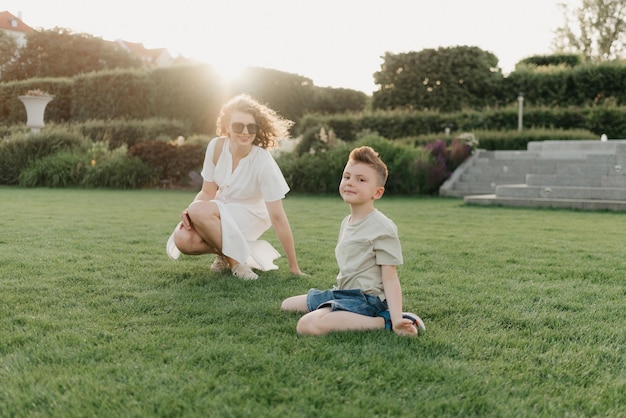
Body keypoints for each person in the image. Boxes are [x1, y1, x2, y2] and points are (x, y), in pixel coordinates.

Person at [281, 146, 425, 336]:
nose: (350, 183)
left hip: (366, 299)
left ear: (377, 193)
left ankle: (385, 321)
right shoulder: (346, 222)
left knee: (307, 325)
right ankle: (343, 310)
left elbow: (390, 277)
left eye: (361, 180)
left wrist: (398, 319)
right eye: (347, 176)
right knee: (287, 305)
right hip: (343, 292)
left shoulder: (382, 227)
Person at [166, 94, 303, 280]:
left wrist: (294, 266)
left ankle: (237, 264)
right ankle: (234, 252)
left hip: (251, 214)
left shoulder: (263, 161)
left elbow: (278, 217)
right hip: (218, 208)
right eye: (238, 126)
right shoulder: (216, 147)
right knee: (183, 240)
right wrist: (191, 211)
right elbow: (207, 191)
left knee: (198, 211)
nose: (245, 132)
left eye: (251, 127)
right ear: (227, 127)